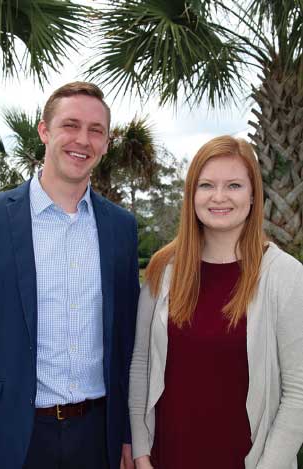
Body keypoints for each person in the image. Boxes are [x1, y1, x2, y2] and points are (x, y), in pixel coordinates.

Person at [0, 82, 140, 469]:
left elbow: (127, 342)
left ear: (106, 142)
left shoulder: (121, 227)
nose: (83, 139)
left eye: (96, 130)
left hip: (97, 437)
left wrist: (129, 435)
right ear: (44, 131)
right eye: (71, 125)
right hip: (10, 438)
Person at [129, 135, 303, 469]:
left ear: (253, 196)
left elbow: (298, 393)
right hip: (167, 458)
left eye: (234, 185)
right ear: (191, 194)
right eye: (207, 185)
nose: (219, 197)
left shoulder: (284, 275)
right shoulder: (163, 270)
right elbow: (141, 365)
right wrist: (141, 453)